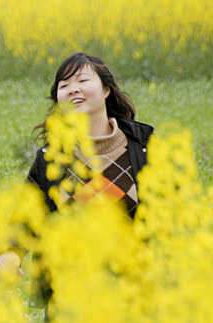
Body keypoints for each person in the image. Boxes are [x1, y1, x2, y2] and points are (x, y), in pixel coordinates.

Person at [27, 52, 154, 218]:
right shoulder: (50, 159)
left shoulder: (143, 149)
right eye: (64, 85)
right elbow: (23, 229)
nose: (73, 90)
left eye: (82, 80)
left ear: (106, 90)